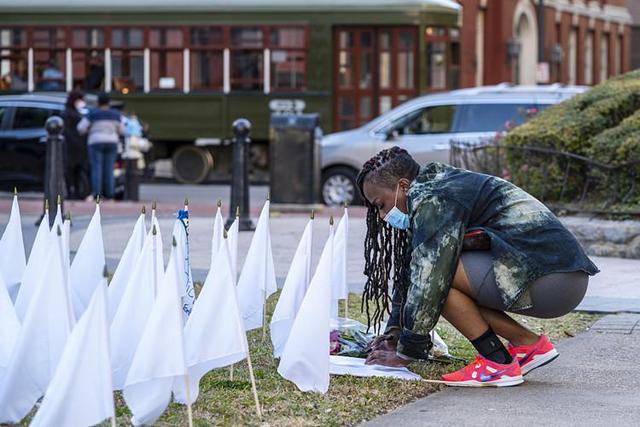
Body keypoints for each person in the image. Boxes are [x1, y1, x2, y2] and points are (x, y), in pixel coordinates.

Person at [359, 147, 599, 387]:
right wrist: (394, 333)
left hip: (552, 279)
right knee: (431, 271)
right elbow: (410, 271)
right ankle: (528, 345)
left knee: (438, 277)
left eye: (380, 205)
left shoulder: (432, 197)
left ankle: (497, 363)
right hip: (562, 277)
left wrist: (406, 352)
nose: (381, 216)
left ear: (403, 186)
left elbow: (427, 279)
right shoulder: (435, 185)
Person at [77, 92, 123, 200]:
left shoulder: (92, 113)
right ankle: (110, 194)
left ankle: (97, 194)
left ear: (98, 102)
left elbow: (80, 128)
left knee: (96, 168)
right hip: (112, 141)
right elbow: (122, 130)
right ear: (109, 102)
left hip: (95, 141)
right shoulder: (115, 114)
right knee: (109, 168)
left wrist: (89, 130)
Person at [62, 90, 90, 199]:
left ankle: (76, 191)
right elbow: (67, 131)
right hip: (71, 146)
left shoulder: (76, 112)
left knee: (77, 170)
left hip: (78, 146)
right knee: (70, 170)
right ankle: (71, 192)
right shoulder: (67, 113)